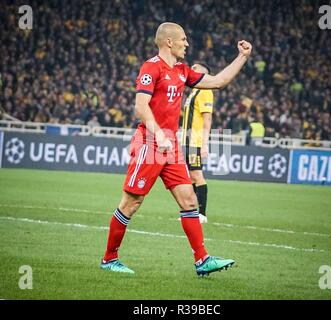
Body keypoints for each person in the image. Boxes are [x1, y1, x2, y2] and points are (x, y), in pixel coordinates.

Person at [100, 22, 252, 276]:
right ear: (169, 42)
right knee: (131, 203)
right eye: (183, 39)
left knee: (189, 199)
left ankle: (202, 260)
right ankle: (109, 259)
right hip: (150, 142)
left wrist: (242, 57)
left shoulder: (182, 70)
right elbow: (141, 106)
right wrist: (158, 134)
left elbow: (218, 81)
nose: (187, 43)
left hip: (169, 146)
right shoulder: (151, 67)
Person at [181, 62, 214, 223]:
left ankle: (202, 213)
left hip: (195, 142)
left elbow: (207, 119)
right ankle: (192, 213)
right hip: (186, 142)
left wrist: (205, 144)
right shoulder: (194, 91)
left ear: (204, 73)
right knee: (189, 178)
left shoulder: (205, 90)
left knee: (197, 175)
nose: (192, 68)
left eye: (196, 67)